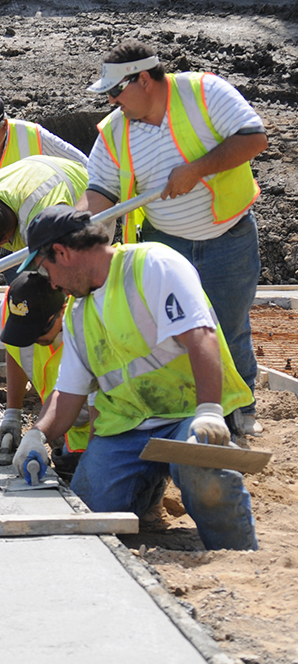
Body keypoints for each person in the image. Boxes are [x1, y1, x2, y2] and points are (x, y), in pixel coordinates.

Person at [14, 206, 257, 550]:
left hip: (187, 416)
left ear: (62, 252)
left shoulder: (153, 266)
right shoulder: (79, 314)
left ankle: (237, 553)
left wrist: (209, 411)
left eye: (47, 268)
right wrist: (37, 435)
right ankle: (148, 494)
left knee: (205, 473)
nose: (51, 282)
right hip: (124, 430)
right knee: (89, 513)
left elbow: (200, 336)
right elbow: (67, 396)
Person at [78, 39, 268, 434]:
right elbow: (100, 190)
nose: (114, 102)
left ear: (143, 80)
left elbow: (254, 139)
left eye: (116, 92)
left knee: (228, 326)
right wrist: (80, 224)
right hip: (167, 246)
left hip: (226, 237)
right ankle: (185, 409)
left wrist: (196, 169)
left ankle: (240, 407)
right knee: (172, 331)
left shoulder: (204, 93)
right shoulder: (116, 131)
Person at [0, 95, 88, 320]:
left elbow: (81, 161)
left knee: (35, 298)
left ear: (4, 126)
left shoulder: (32, 136)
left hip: (35, 227)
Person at [0, 154, 89, 330]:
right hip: (38, 172)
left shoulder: (42, 225)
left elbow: (60, 273)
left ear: (3, 243)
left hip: (80, 184)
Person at [0, 272, 91, 478]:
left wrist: (101, 454)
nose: (31, 338)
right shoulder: (15, 302)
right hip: (56, 424)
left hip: (101, 432)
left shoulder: (87, 324)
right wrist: (12, 414)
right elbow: (15, 350)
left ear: (61, 312)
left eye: (37, 330)